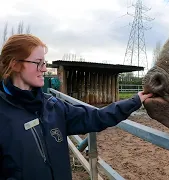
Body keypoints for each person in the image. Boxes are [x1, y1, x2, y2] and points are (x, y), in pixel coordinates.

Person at [0, 34, 153, 180]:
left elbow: (97, 117)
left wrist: (135, 101)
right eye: (38, 62)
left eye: (44, 63)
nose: (44, 69)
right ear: (15, 64)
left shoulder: (53, 107)